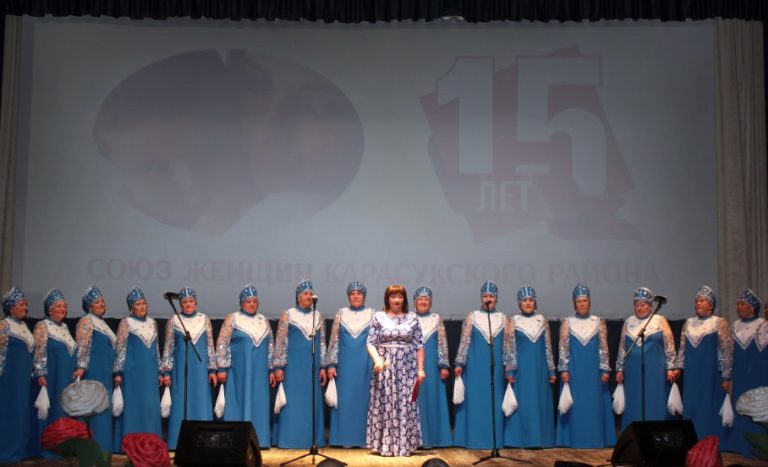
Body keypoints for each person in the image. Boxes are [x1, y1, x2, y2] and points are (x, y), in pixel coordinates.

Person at [454, 281, 516, 449]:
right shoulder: (472, 316)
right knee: (475, 403)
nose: (488, 299)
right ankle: (474, 440)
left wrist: (509, 369)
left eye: (491, 296)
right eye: (485, 296)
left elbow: (509, 346)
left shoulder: (504, 318)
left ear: (496, 299)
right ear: (481, 298)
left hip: (495, 369)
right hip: (474, 367)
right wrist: (459, 363)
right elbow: (464, 342)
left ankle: (493, 440)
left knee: (493, 402)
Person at [366, 284, 425, 456]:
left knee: (406, 403)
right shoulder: (379, 317)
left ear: (404, 299)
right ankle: (385, 445)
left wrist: (421, 369)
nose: (396, 300)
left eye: (399, 296)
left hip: (407, 367)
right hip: (386, 367)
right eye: (393, 297)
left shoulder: (413, 318)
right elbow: (370, 342)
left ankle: (404, 445)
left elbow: (419, 345)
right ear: (387, 299)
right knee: (386, 402)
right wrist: (377, 360)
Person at [555, 284, 615, 448]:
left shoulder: (598, 322)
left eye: (585, 301)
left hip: (594, 371)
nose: (582, 304)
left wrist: (605, 368)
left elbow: (603, 347)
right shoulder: (568, 322)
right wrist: (564, 369)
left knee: (594, 404)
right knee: (576, 405)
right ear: (574, 304)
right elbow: (563, 347)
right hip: (574, 371)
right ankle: (574, 439)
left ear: (589, 302)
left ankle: (594, 439)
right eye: (579, 301)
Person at [215, 284, 275, 445]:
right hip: (240, 371)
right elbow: (222, 343)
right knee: (240, 399)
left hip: (260, 371)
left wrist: (271, 369)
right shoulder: (233, 318)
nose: (252, 304)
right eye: (249, 301)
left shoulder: (263, 320)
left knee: (259, 401)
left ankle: (259, 440)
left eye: (255, 301)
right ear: (242, 303)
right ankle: (237, 440)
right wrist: (222, 367)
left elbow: (271, 346)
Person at [272, 280, 328, 448]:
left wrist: (323, 366)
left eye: (311, 294)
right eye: (305, 294)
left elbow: (322, 343)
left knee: (311, 402)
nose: (309, 296)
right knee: (293, 402)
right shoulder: (288, 314)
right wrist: (279, 366)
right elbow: (281, 342)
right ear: (298, 297)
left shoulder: (318, 316)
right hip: (293, 367)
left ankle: (311, 440)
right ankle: (290, 439)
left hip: (312, 366)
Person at [160, 287, 217, 450]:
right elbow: (168, 347)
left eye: (191, 301)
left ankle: (203, 441)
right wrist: (166, 371)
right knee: (181, 402)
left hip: (200, 370)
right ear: (180, 304)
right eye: (184, 302)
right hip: (181, 370)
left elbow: (210, 346)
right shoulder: (174, 320)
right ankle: (178, 442)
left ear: (196, 303)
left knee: (200, 401)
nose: (188, 304)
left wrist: (212, 369)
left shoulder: (204, 319)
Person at [676, 286, 734, 440]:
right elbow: (682, 348)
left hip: (710, 372)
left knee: (707, 406)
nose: (698, 303)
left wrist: (727, 376)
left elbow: (727, 351)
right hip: (691, 373)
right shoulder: (688, 323)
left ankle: (708, 441)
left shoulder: (719, 322)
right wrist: (677, 367)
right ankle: (691, 439)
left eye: (702, 301)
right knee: (691, 404)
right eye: (697, 301)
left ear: (711, 305)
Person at [615, 287, 677, 431]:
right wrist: (619, 368)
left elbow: (669, 344)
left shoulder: (659, 320)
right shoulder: (629, 321)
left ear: (650, 306)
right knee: (634, 399)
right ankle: (634, 432)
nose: (639, 308)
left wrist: (670, 367)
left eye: (643, 305)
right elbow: (622, 347)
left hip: (655, 370)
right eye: (637, 305)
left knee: (654, 399)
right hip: (633, 370)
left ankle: (657, 432)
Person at [504, 285, 555, 448]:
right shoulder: (513, 320)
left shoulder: (542, 320)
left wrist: (551, 370)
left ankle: (540, 439)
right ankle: (519, 440)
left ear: (535, 302)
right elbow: (510, 347)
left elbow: (548, 347)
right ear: (519, 303)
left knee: (539, 403)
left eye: (531, 300)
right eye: (524, 300)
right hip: (522, 371)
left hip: (540, 370)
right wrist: (510, 370)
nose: (528, 303)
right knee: (523, 403)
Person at [325, 281, 375, 447]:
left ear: (364, 296)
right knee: (344, 401)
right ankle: (342, 439)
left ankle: (365, 439)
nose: (356, 296)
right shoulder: (341, 313)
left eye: (359, 293)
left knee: (365, 401)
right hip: (345, 366)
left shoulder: (372, 314)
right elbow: (334, 340)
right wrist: (331, 364)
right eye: (352, 293)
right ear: (348, 296)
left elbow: (377, 341)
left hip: (366, 365)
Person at [113, 287, 162, 451]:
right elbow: (121, 348)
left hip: (150, 372)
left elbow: (156, 349)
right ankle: (132, 445)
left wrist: (160, 370)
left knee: (150, 407)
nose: (142, 306)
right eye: (137, 304)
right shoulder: (126, 322)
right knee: (134, 407)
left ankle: (151, 445)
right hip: (133, 372)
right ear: (131, 308)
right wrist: (118, 372)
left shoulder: (153, 322)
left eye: (143, 303)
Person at [30, 289, 78, 458]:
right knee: (51, 411)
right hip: (52, 378)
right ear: (49, 309)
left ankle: (63, 446)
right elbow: (39, 351)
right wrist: (40, 374)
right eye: (58, 306)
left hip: (66, 378)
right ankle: (47, 449)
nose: (62, 309)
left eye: (64, 306)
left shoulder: (64, 327)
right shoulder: (42, 325)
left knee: (64, 410)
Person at [74, 285, 117, 452]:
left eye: (102, 302)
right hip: (93, 371)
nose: (101, 304)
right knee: (93, 408)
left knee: (103, 408)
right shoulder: (86, 321)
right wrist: (81, 366)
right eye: (97, 302)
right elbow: (82, 346)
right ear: (89, 306)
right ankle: (91, 448)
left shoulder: (102, 323)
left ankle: (103, 446)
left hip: (105, 371)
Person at [724, 289, 765, 457]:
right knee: (738, 405)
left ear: (752, 307)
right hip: (738, 373)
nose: (738, 307)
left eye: (742, 304)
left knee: (754, 407)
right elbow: (728, 352)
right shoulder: (734, 325)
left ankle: (756, 447)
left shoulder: (763, 325)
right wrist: (727, 375)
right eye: (737, 304)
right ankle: (738, 444)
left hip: (755, 374)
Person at [412, 285, 452, 448]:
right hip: (411, 365)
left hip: (433, 367)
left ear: (431, 303)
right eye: (420, 299)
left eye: (426, 300)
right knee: (415, 401)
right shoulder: (408, 318)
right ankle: (413, 439)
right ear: (415, 302)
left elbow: (442, 343)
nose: (423, 302)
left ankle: (434, 439)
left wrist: (444, 365)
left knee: (432, 399)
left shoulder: (436, 319)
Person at [0, 287, 35, 463]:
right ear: (11, 307)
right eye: (21, 304)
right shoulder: (4, 325)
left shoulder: (24, 326)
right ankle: (5, 452)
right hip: (9, 378)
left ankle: (18, 450)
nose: (25, 308)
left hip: (24, 378)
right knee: (9, 411)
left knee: (21, 413)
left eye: (26, 304)